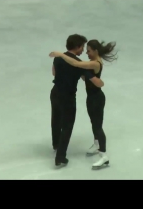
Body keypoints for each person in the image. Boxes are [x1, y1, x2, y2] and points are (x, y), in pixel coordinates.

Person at [49, 39, 117, 169]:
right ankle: (97, 144)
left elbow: (75, 64)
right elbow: (79, 69)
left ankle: (104, 156)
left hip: (96, 98)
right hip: (90, 98)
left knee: (97, 126)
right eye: (85, 50)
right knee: (93, 123)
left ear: (95, 51)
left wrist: (61, 55)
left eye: (89, 51)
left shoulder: (94, 64)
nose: (86, 53)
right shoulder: (87, 64)